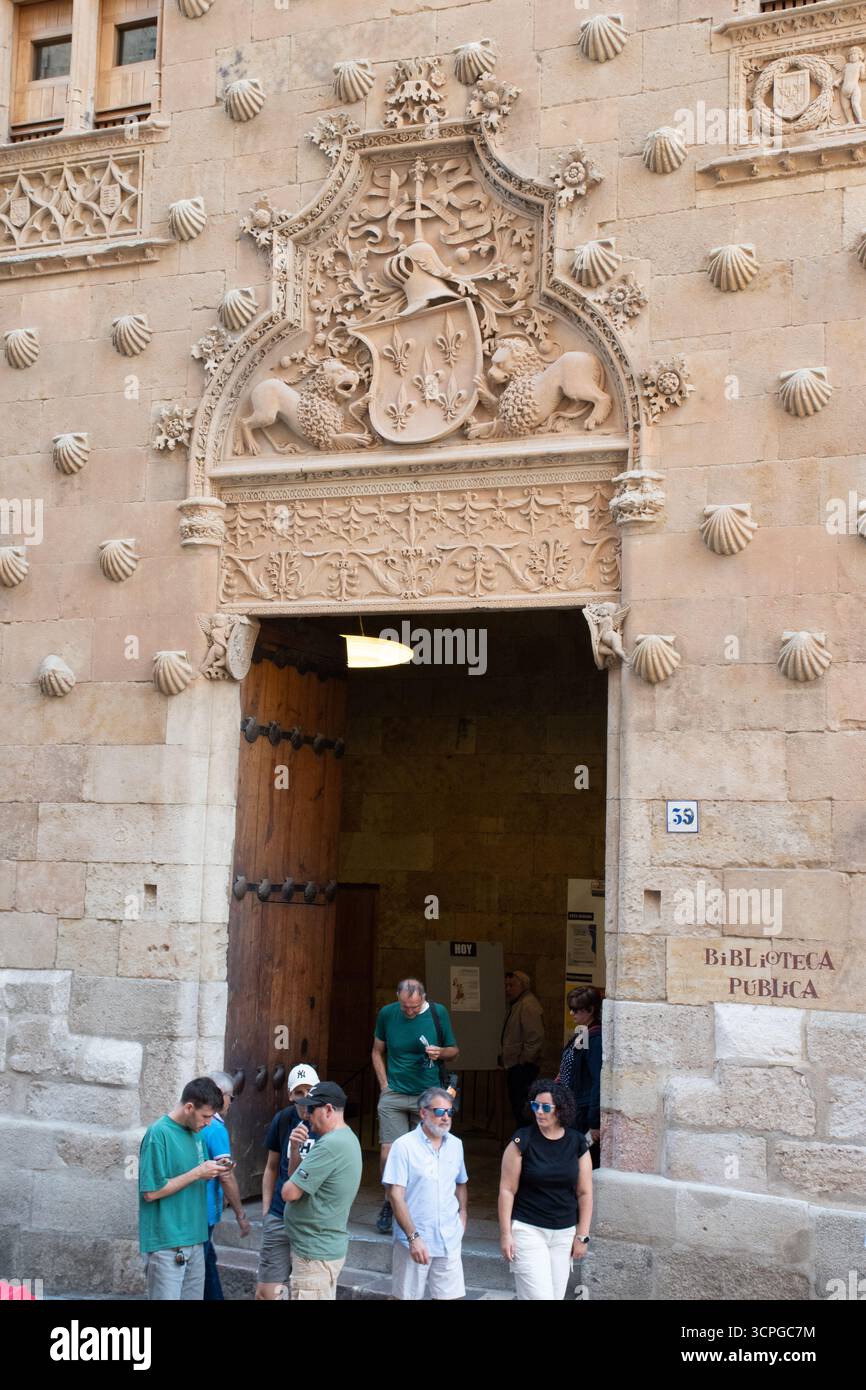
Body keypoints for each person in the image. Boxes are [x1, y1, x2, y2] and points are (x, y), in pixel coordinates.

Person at [372, 978, 459, 1234]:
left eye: (414, 1007)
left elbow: (454, 1051)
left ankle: (419, 1206)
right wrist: (384, 1085)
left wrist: (440, 1052)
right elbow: (376, 1051)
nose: (409, 1011)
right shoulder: (387, 1014)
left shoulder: (437, 1013)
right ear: (398, 999)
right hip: (395, 1092)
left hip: (428, 1095)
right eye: (405, 1007)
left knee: (425, 1154)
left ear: (424, 999)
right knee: (388, 1152)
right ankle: (390, 1201)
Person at [498, 1078, 593, 1301]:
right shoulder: (522, 1140)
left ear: (560, 1110)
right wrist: (505, 1234)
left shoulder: (577, 1142)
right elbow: (507, 1190)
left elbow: (585, 1192)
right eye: (535, 1105)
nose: (539, 1112)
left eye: (546, 1107)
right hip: (528, 1230)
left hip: (564, 1233)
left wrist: (582, 1235)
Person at [138, 1076, 227, 1300]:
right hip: (168, 1244)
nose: (209, 1123)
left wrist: (213, 1171)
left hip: (196, 1239)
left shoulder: (197, 1133)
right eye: (206, 1116)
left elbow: (192, 1178)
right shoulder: (158, 1134)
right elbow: (151, 1192)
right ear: (189, 1108)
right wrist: (198, 1172)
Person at [383, 1085, 468, 1301]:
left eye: (449, 1112)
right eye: (439, 1112)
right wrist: (413, 1237)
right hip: (415, 1239)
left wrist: (463, 1214)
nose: (445, 1117)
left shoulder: (456, 1145)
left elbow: (461, 1183)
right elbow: (395, 1195)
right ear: (423, 1113)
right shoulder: (403, 1146)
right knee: (405, 1297)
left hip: (449, 1238)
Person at [282, 1081, 363, 1300]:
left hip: (314, 1254)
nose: (307, 1115)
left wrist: (292, 1183)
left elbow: (289, 1192)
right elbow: (297, 1178)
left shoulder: (330, 1145)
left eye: (311, 1109)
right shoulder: (345, 1138)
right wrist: (295, 1149)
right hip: (320, 1249)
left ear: (328, 1109)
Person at [256, 1063, 320, 1300]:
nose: (305, 1097)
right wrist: (266, 1211)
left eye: (310, 1091)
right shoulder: (283, 1119)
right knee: (268, 1292)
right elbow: (271, 1167)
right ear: (291, 1095)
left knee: (306, 1290)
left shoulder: (326, 1123)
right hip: (279, 1214)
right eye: (299, 1092)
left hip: (310, 1219)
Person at [202, 1071, 251, 1300]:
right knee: (203, 1264)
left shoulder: (197, 1123)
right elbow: (226, 1176)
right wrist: (240, 1214)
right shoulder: (215, 1128)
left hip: (193, 1209)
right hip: (204, 1210)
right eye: (231, 1097)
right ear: (221, 1094)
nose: (231, 1103)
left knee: (207, 1260)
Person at [560, 987, 603, 1168]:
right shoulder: (584, 1032)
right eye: (570, 1008)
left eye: (576, 1009)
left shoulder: (595, 1038)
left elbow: (597, 1080)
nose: (571, 1013)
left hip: (583, 1113)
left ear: (590, 1010)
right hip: (574, 1108)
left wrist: (593, 1121)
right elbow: (572, 1066)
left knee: (581, 1163)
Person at [501, 970, 545, 1128]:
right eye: (506, 985)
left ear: (523, 986)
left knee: (522, 1106)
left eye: (511, 985)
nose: (507, 989)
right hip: (516, 1063)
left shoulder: (527, 1005)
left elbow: (535, 1036)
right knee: (518, 1104)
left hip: (522, 1065)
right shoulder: (518, 1004)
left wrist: (524, 1060)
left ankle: (525, 1137)